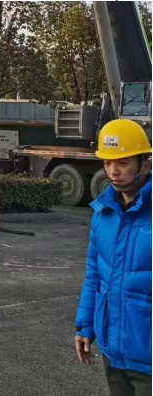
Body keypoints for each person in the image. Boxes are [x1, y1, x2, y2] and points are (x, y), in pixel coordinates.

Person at [74, 119, 152, 395]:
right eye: (107, 163)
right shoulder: (103, 214)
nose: (113, 171)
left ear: (145, 163)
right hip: (113, 350)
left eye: (123, 162)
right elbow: (94, 274)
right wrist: (85, 326)